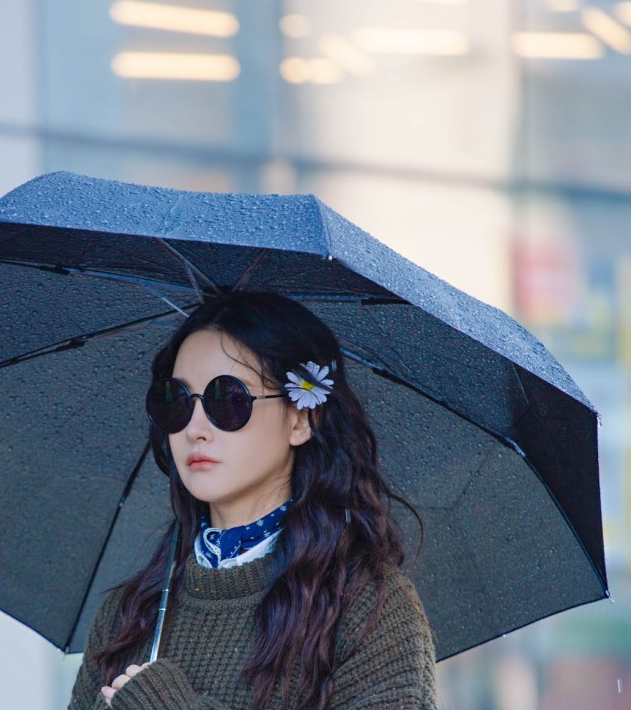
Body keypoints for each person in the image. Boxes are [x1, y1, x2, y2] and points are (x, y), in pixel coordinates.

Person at [68, 291, 437, 710]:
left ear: (300, 419)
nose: (196, 429)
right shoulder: (131, 614)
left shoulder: (365, 607)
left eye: (227, 400)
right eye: (176, 400)